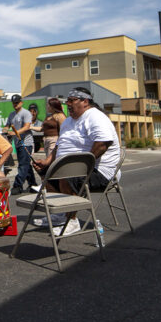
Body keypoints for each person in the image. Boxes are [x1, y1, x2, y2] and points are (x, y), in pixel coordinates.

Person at [33, 87, 121, 235]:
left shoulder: (95, 117)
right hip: (74, 167)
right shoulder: (68, 121)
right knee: (46, 173)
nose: (68, 104)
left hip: (101, 172)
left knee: (68, 176)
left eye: (72, 100)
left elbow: (102, 145)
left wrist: (80, 166)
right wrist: (47, 161)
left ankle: (71, 221)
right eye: (67, 101)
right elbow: (60, 145)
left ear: (85, 101)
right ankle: (61, 214)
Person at [5, 95, 37, 194]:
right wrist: (5, 130)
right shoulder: (11, 115)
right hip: (18, 143)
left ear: (21, 102)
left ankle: (17, 186)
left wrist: (15, 133)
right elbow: (7, 126)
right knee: (26, 164)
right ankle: (33, 185)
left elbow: (27, 127)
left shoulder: (26, 113)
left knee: (23, 165)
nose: (15, 104)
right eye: (14, 103)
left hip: (26, 143)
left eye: (17, 102)